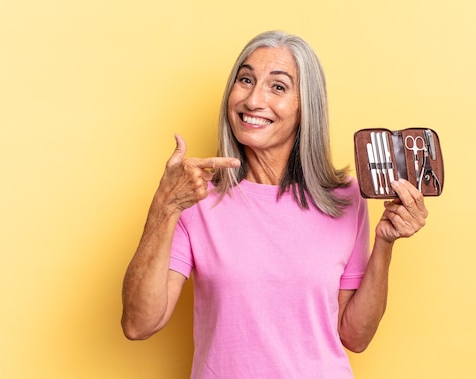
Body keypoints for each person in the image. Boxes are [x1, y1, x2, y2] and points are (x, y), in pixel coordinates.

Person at [121, 30, 428, 378]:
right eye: (246, 80)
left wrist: (385, 242)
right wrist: (164, 208)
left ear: (305, 107)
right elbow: (138, 324)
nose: (253, 100)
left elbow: (354, 336)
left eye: (277, 87)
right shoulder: (195, 197)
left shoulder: (345, 198)